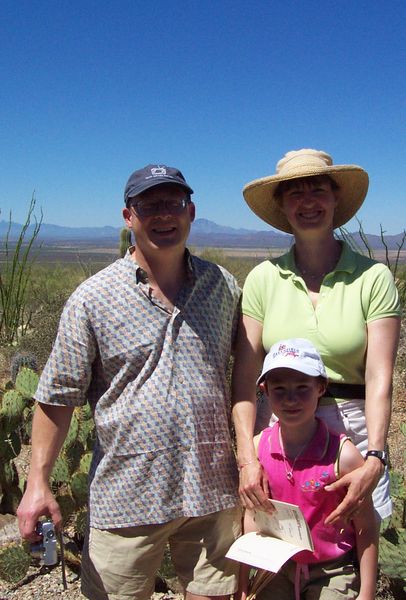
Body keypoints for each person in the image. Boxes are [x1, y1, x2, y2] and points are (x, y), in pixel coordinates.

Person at [17, 164, 242, 600]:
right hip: (127, 496)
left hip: (212, 489)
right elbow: (57, 397)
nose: (163, 214)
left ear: (191, 211)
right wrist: (38, 482)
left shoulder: (223, 286)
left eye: (173, 203)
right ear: (128, 216)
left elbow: (253, 375)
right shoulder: (93, 299)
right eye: (148, 205)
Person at [232, 149, 401, 524]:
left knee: (354, 540)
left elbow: (379, 377)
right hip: (278, 430)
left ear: (335, 197)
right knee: (277, 539)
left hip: (354, 431)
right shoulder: (263, 279)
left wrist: (375, 456)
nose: (307, 202)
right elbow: (244, 378)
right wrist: (247, 456)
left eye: (317, 190)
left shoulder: (373, 278)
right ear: (281, 205)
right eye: (294, 192)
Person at [238, 338, 378, 600]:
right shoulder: (259, 449)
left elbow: (366, 527)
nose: (291, 399)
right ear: (264, 390)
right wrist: (244, 581)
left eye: (303, 387)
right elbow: (252, 518)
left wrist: (366, 593)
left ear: (321, 388)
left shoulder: (342, 455)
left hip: (331, 570)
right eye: (279, 389)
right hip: (275, 566)